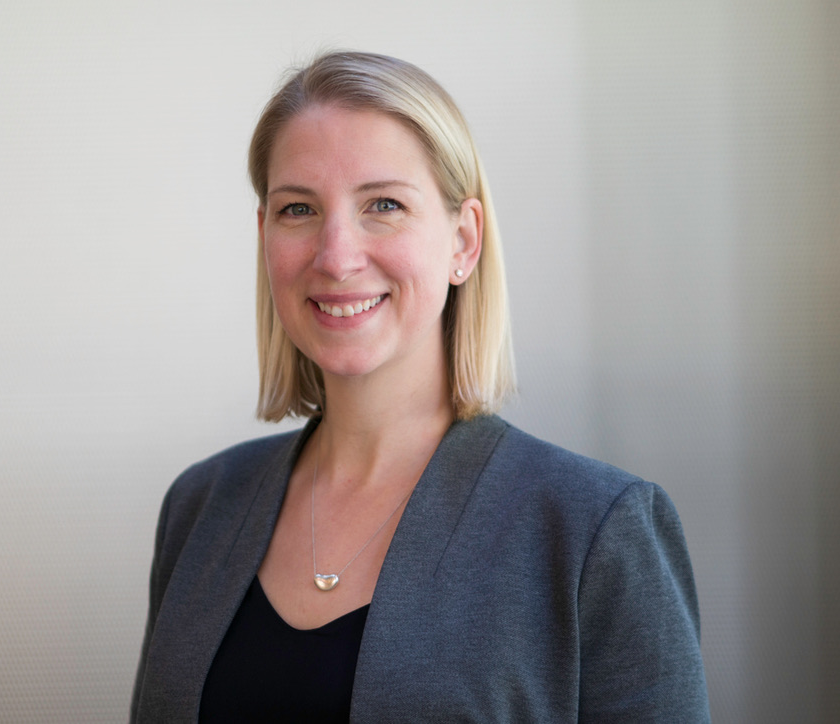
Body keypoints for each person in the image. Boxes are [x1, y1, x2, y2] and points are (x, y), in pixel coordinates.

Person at [131, 51, 710, 723]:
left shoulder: (595, 531)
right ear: (266, 237)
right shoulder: (200, 508)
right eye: (298, 209)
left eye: (383, 204)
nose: (336, 255)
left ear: (463, 242)